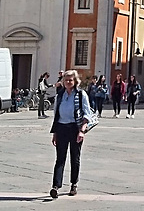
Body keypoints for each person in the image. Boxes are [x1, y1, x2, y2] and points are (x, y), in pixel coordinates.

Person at [49, 69, 91, 199]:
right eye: (66, 80)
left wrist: (82, 130)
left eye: (70, 80)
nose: (68, 82)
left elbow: (87, 113)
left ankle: (74, 184)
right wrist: (55, 132)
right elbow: (56, 114)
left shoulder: (80, 94)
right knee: (60, 158)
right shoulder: (60, 95)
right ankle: (55, 186)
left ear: (75, 81)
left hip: (75, 128)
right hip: (61, 127)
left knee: (75, 157)